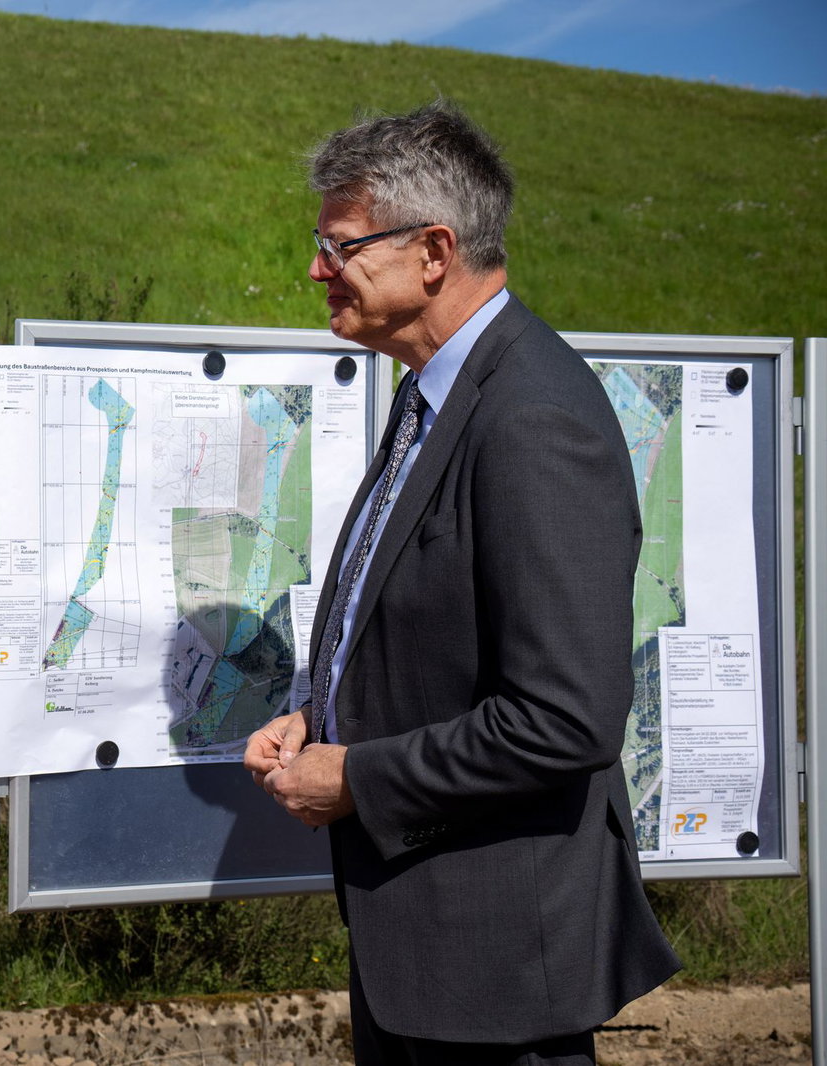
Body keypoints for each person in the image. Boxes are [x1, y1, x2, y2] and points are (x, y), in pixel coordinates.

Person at [244, 103, 680, 1065]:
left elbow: (564, 719)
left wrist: (357, 777)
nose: (317, 268)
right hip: (433, 953)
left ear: (432, 251)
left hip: (499, 974)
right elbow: (425, 621)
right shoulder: (438, 391)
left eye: (339, 243)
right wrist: (320, 717)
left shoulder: (532, 417)